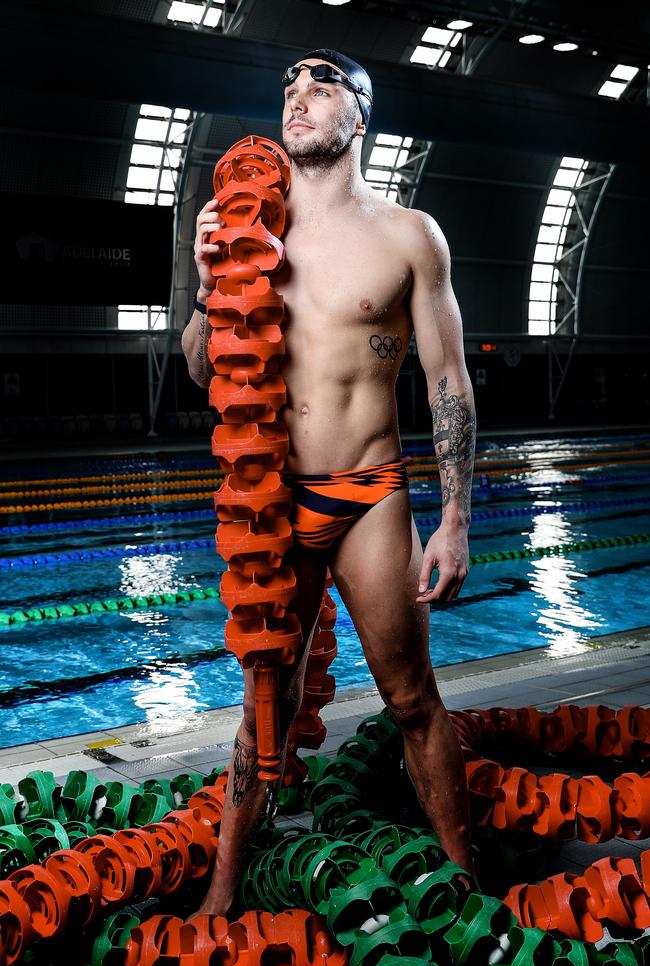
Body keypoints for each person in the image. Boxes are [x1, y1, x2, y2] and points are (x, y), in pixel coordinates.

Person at [181, 48, 478, 918]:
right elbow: (202, 373)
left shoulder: (408, 236)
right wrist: (205, 289)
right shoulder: (238, 227)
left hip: (369, 494)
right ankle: (221, 896)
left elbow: (449, 381)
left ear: (362, 114)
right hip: (275, 506)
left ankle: (466, 877)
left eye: (321, 84)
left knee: (413, 697)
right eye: (288, 87)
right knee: (259, 711)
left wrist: (454, 517)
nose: (297, 98)